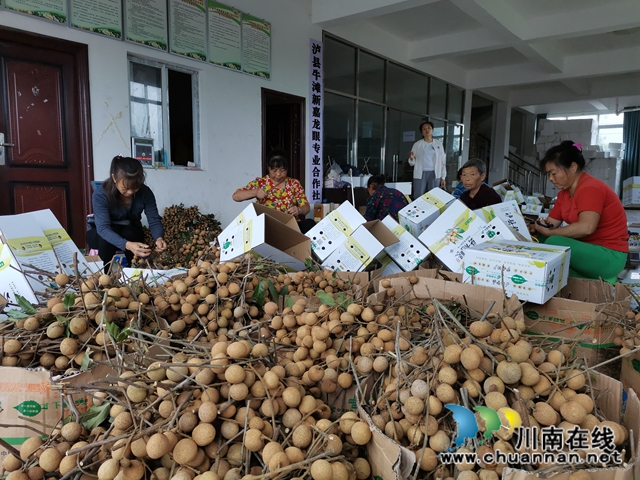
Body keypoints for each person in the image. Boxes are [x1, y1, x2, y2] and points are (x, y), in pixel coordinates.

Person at [530, 141, 628, 283]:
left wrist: (549, 233)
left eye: (554, 173)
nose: (551, 178)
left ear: (573, 167)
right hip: (587, 248)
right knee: (538, 240)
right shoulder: (564, 193)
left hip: (609, 255)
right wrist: (534, 227)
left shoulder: (590, 188)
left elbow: (586, 227)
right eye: (548, 174)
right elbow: (550, 224)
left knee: (554, 241)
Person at [87, 155, 166, 271]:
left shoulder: (145, 193)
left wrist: (159, 238)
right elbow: (103, 229)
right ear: (114, 178)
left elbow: (154, 220)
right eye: (125, 188)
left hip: (130, 230)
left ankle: (133, 272)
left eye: (135, 188)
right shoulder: (101, 195)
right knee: (106, 240)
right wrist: (127, 245)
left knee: (132, 233)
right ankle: (107, 275)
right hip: (102, 233)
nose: (130, 192)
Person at [233, 149, 315, 233]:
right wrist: (255, 192)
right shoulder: (260, 183)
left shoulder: (294, 184)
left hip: (290, 227)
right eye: (274, 170)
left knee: (309, 223)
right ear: (268, 168)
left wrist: (299, 210)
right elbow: (236, 196)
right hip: (268, 227)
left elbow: (306, 208)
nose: (278, 174)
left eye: (282, 170)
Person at [408, 121, 446, 200]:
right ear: (422, 132)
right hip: (420, 173)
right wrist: (411, 158)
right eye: (424, 129)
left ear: (432, 130)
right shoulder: (417, 144)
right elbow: (412, 163)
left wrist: (443, 177)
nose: (427, 130)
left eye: (429, 128)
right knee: (418, 195)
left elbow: (442, 161)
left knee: (434, 197)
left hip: (435, 173)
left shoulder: (438, 144)